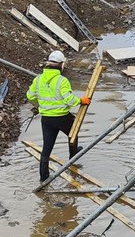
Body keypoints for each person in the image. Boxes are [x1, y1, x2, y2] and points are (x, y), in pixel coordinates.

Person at [26, 50, 90, 182]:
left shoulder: (38, 79)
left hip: (46, 119)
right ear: (61, 65)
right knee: (73, 133)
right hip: (62, 117)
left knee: (46, 149)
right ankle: (73, 157)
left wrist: (38, 105)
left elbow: (30, 96)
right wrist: (81, 101)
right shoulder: (62, 81)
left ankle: (44, 178)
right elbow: (70, 100)